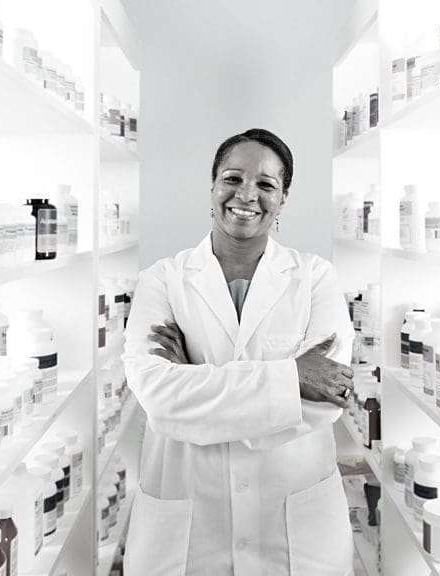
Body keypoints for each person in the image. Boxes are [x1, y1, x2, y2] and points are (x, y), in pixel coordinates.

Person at [121, 128, 356, 575]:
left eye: (266, 184)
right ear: (212, 189)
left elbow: (326, 400)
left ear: (282, 199)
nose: (246, 194)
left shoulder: (315, 278)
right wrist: (292, 377)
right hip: (189, 523)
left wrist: (195, 381)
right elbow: (157, 396)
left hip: (295, 526)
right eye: (232, 178)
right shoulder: (162, 280)